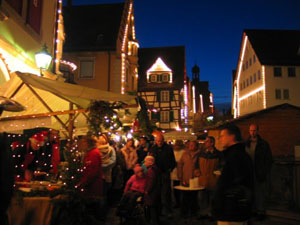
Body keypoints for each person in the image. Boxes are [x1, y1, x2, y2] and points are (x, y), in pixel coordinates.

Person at [212, 124, 254, 225]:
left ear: (232, 136)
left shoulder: (236, 156)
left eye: (222, 136)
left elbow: (238, 183)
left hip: (231, 211)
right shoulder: (234, 155)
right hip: (231, 209)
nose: (219, 139)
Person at [245, 124, 272, 220]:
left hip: (259, 173)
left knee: (260, 193)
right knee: (250, 192)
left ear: (257, 131)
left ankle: (260, 212)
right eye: (251, 130)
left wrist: (264, 171)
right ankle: (253, 211)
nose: (252, 132)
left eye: (254, 130)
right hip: (249, 173)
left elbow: (268, 159)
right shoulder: (246, 144)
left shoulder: (263, 144)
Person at [149, 133, 176, 217]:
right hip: (155, 174)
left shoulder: (168, 149)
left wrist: (169, 169)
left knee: (166, 193)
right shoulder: (153, 149)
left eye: (161, 141)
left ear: (163, 140)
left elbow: (173, 161)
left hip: (165, 173)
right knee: (157, 192)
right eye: (158, 141)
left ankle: (168, 211)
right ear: (156, 141)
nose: (159, 142)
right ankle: (159, 211)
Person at [196, 136, 223, 219]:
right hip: (203, 179)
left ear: (212, 143)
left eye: (207, 141)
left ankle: (211, 213)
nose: (205, 143)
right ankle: (203, 213)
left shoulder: (218, 154)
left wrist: (218, 173)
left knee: (212, 198)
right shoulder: (201, 154)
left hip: (213, 180)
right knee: (202, 198)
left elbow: (222, 166)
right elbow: (197, 165)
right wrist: (197, 171)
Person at [177, 140, 201, 216]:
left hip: (195, 178)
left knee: (194, 196)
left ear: (196, 146)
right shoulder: (185, 154)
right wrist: (180, 175)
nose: (191, 147)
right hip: (186, 177)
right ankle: (184, 211)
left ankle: (193, 211)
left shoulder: (200, 155)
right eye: (190, 145)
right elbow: (180, 165)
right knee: (185, 196)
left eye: (193, 145)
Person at [144, 156, 161, 225]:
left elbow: (151, 181)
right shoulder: (155, 168)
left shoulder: (150, 170)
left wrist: (147, 190)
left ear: (150, 162)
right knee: (155, 207)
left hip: (152, 193)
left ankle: (154, 222)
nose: (144, 163)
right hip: (156, 192)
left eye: (145, 161)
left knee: (152, 208)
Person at [170, 140, 185, 208]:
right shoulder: (172, 152)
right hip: (174, 172)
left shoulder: (183, 152)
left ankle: (181, 202)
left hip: (181, 172)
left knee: (182, 187)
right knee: (175, 188)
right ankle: (177, 201)